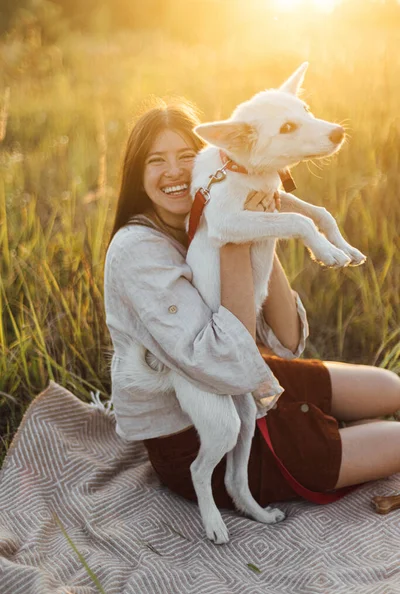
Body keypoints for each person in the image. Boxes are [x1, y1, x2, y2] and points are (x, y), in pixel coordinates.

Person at [103, 98, 400, 509]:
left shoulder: (210, 210)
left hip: (255, 379)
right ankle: (318, 444)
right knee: (395, 442)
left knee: (390, 388)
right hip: (200, 432)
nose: (174, 172)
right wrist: (234, 241)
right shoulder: (138, 253)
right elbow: (227, 363)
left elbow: (286, 338)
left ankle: (328, 429)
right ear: (138, 174)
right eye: (157, 161)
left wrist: (259, 223)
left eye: (187, 156)